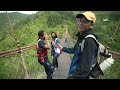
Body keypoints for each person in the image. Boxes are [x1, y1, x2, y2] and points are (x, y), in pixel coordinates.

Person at [58, 11, 99, 79]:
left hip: (77, 76)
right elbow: (74, 50)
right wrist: (63, 48)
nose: (80, 23)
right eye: (80, 20)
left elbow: (86, 67)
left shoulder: (89, 40)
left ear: (91, 25)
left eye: (85, 21)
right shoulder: (82, 37)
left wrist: (73, 77)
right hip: (74, 73)